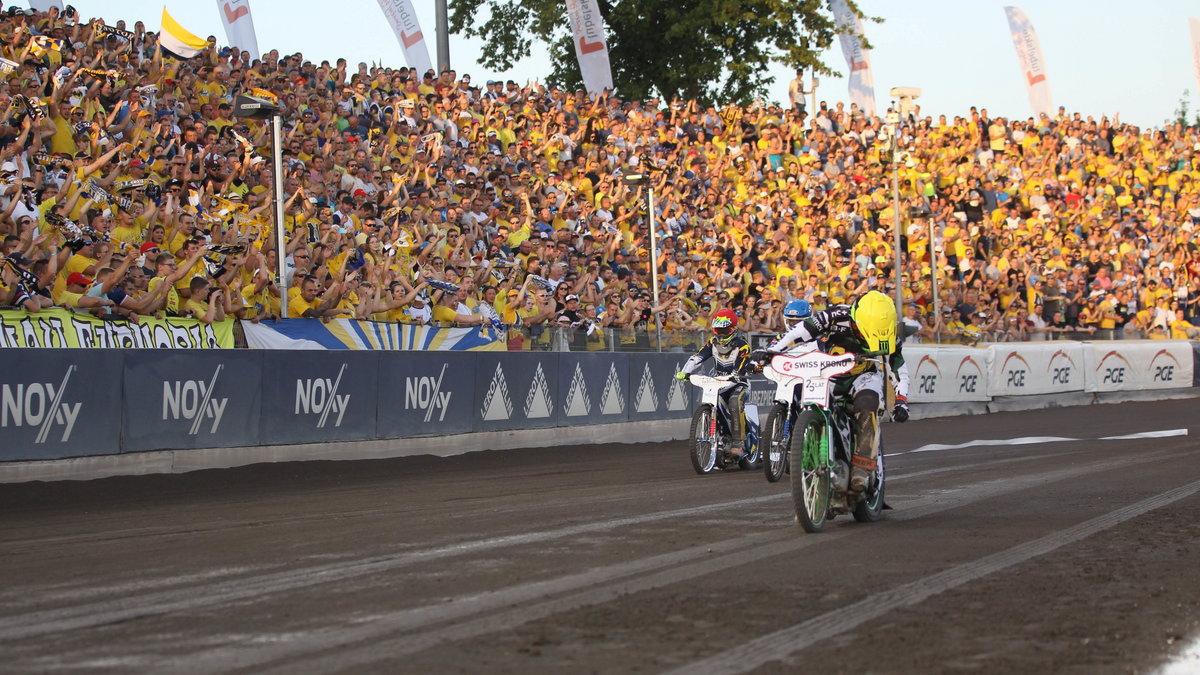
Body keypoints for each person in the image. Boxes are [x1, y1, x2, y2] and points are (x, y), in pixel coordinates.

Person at [753, 290, 910, 494]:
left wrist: (901, 400)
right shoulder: (833, 316)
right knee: (806, 398)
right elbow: (798, 332)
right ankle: (811, 441)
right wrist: (771, 350)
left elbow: (897, 368)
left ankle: (862, 468)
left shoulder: (889, 332)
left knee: (869, 403)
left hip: (864, 376)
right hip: (828, 373)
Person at [675, 308, 754, 455]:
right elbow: (697, 357)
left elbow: (741, 367)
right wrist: (685, 372)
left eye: (725, 330)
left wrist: (735, 375)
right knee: (707, 401)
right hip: (718, 382)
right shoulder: (712, 342)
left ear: (734, 329)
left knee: (734, 401)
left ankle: (738, 443)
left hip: (739, 382)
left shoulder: (742, 345)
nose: (722, 334)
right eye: (719, 330)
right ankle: (719, 435)